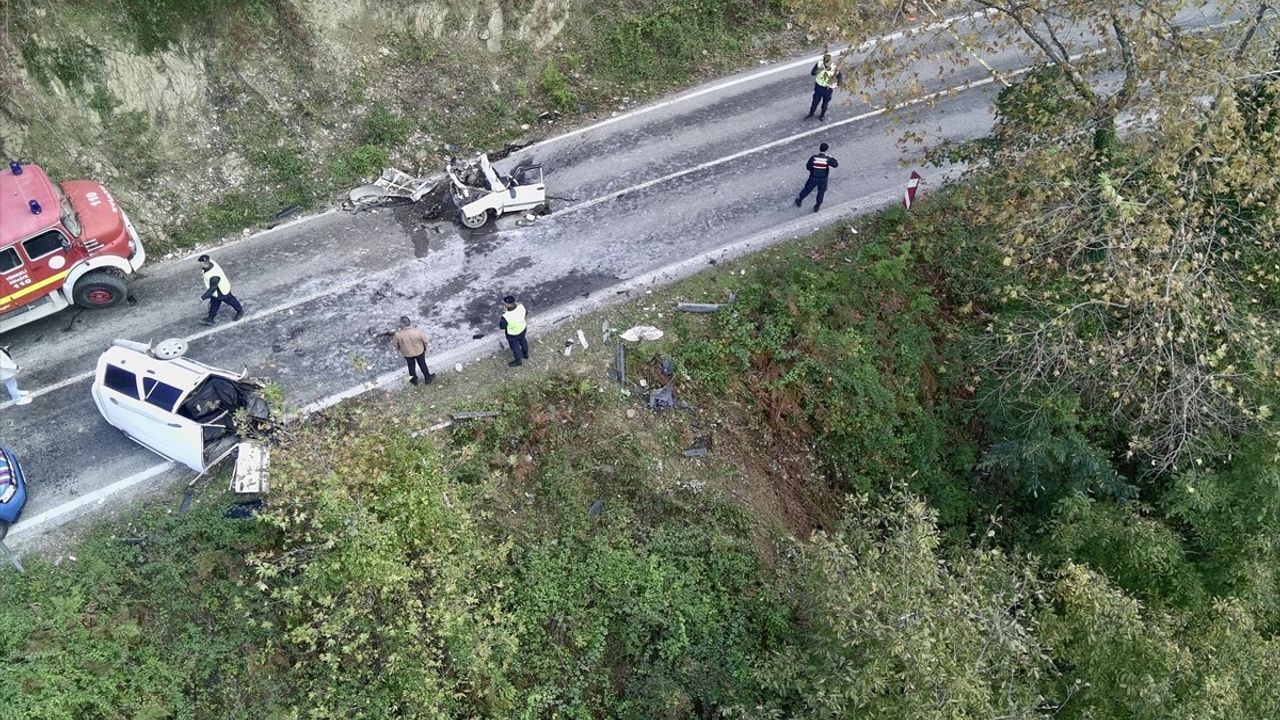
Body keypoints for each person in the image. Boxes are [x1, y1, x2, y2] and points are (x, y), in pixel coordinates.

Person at [197, 254, 244, 326]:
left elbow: (212, 289)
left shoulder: (213, 275)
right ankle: (210, 319)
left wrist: (203, 297)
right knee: (214, 305)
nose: (200, 265)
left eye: (201, 263)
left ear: (205, 263)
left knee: (232, 301)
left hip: (222, 291)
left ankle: (240, 311)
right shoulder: (211, 263)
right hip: (217, 293)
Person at [795, 143, 839, 213]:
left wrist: (813, 171)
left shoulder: (814, 157)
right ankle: (817, 206)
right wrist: (831, 157)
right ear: (827, 150)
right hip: (823, 179)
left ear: (819, 148)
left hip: (813, 177)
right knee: (821, 192)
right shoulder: (827, 159)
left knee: (807, 190)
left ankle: (799, 200)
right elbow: (835, 165)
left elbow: (808, 167)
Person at [393, 316, 435, 385]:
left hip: (407, 354)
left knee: (411, 367)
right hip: (419, 351)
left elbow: (395, 344)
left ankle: (414, 381)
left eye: (400, 322)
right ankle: (428, 378)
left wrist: (399, 349)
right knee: (422, 365)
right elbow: (426, 340)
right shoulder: (417, 331)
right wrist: (425, 348)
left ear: (403, 324)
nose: (399, 324)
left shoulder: (398, 335)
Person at [806, 53, 843, 121]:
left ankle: (822, 115)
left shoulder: (834, 67)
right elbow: (812, 73)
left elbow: (840, 77)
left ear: (830, 61)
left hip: (827, 89)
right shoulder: (819, 64)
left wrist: (837, 85)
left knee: (825, 104)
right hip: (818, 87)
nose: (826, 64)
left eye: (828, 62)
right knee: (815, 103)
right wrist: (819, 70)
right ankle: (811, 114)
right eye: (825, 62)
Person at [499, 295, 529, 367]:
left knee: (515, 347)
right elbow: (526, 313)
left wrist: (504, 313)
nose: (504, 304)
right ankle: (525, 354)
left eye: (504, 303)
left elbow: (502, 326)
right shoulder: (521, 307)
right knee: (523, 341)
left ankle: (518, 361)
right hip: (522, 329)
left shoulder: (506, 316)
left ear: (507, 304)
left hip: (513, 334)